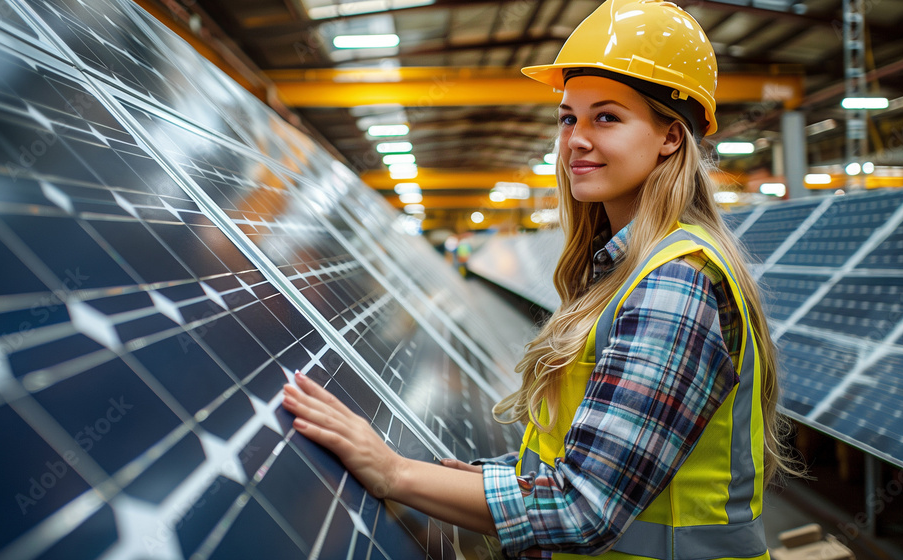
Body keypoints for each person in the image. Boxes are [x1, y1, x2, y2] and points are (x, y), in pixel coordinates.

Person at [282, 1, 800, 558]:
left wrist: (392, 473)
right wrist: (474, 483)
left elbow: (584, 506)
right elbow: (585, 460)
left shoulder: (676, 283)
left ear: (671, 137)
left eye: (607, 117)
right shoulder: (620, 269)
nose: (575, 138)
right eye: (568, 117)